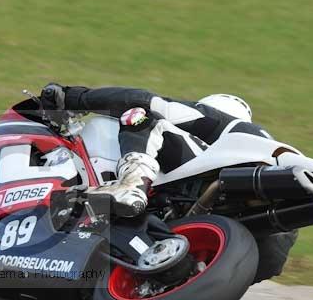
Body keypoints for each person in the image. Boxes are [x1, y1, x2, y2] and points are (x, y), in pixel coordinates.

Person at [39, 83, 256, 218]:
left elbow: (143, 101)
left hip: (220, 174)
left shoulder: (214, 120)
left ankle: (131, 186)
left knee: (141, 116)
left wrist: (73, 98)